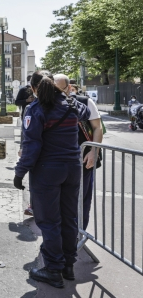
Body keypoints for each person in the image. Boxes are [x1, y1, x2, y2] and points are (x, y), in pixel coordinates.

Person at [14, 70, 90, 288]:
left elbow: (31, 146)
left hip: (47, 170)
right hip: (72, 168)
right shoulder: (71, 105)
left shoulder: (36, 109)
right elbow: (84, 113)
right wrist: (69, 96)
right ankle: (68, 264)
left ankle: (53, 269)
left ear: (34, 88)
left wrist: (20, 173)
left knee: (49, 221)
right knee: (68, 217)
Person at [60, 75, 104, 238]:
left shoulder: (85, 102)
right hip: (59, 162)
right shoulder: (50, 103)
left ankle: (78, 235)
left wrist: (94, 151)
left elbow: (98, 128)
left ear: (69, 88)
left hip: (83, 160)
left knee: (82, 200)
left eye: (61, 89)